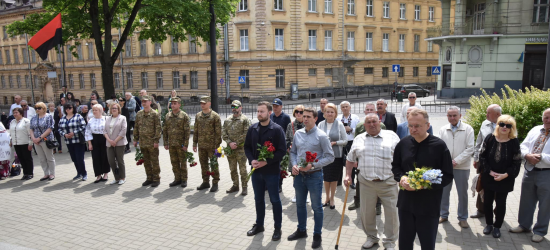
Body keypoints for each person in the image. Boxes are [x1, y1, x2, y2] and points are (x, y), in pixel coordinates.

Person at [392, 109, 453, 250]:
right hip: (406, 203)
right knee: (405, 242)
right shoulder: (403, 144)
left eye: (417, 126)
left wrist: (423, 185)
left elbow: (448, 175)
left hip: (428, 205)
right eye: (410, 126)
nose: (413, 129)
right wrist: (401, 178)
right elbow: (395, 167)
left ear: (427, 125)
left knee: (427, 242)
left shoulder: (439, 146)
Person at [345, 113, 400, 250]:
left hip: (388, 181)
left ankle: (390, 242)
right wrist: (347, 175)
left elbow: (402, 157)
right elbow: (350, 159)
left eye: (374, 121)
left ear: (379, 121)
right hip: (366, 182)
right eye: (368, 122)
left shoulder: (392, 136)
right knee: (366, 212)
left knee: (392, 213)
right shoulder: (359, 138)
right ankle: (371, 237)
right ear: (364, 125)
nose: (371, 124)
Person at [288, 107, 334, 249]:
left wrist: (313, 165)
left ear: (315, 119)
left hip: (314, 176)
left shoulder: (322, 136)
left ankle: (317, 235)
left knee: (316, 207)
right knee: (300, 205)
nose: (305, 118)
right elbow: (293, 152)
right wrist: (294, 165)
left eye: (309, 116)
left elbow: (330, 157)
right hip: (299, 177)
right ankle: (301, 230)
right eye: (304, 116)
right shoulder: (298, 134)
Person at [244, 101, 287, 241]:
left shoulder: (277, 129)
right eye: (257, 111)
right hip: (256, 171)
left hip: (272, 172)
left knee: (274, 200)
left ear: (269, 113)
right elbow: (247, 148)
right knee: (258, 199)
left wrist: (266, 162)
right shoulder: (253, 128)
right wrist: (251, 160)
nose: (259, 114)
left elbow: (282, 151)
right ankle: (259, 225)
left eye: (262, 111)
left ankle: (277, 228)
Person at [510, 108, 550, 243]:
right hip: (530, 170)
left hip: (547, 173)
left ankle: (540, 231)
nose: (548, 120)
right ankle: (524, 225)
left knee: (545, 204)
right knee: (526, 200)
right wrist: (527, 155)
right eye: (546, 117)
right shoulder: (535, 129)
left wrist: (540, 157)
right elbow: (523, 145)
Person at [479, 115, 521, 238]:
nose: (504, 127)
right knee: (487, 202)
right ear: (497, 125)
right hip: (489, 176)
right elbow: (482, 156)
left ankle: (497, 227)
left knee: (501, 203)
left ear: (511, 128)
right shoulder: (490, 138)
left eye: (508, 125)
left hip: (505, 178)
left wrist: (505, 175)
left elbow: (517, 162)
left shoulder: (514, 142)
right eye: (502, 124)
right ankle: (489, 224)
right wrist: (489, 171)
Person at [438, 106, 475, 228]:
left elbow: (470, 148)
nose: (452, 118)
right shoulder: (443, 129)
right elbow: (439, 147)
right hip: (446, 168)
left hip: (462, 167)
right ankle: (443, 214)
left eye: (454, 115)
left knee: (462, 193)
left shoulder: (468, 129)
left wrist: (456, 161)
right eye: (449, 115)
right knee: (444, 192)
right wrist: (447, 162)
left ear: (460, 116)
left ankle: (463, 217)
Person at [350, 102, 386, 213]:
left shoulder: (382, 126)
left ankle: (378, 205)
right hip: (362, 160)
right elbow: (355, 144)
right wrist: (355, 160)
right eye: (367, 110)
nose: (369, 112)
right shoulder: (360, 126)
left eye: (371, 110)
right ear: (364, 112)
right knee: (359, 181)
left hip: (378, 159)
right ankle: (357, 201)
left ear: (375, 112)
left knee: (378, 181)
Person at [471, 104, 502, 219]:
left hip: (500, 163)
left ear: (498, 114)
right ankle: (481, 210)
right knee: (481, 184)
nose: (486, 115)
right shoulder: (485, 123)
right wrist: (476, 158)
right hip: (483, 161)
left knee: (499, 188)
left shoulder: (506, 124)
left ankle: (498, 212)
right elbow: (478, 142)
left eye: (489, 113)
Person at [317, 103, 347, 209]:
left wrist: (335, 143)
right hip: (324, 156)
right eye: (327, 112)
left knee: (334, 178)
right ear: (324, 113)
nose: (329, 114)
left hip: (336, 156)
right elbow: (317, 138)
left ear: (335, 113)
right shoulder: (320, 124)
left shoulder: (339, 124)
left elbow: (345, 140)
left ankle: (333, 198)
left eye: (332, 112)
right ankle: (327, 198)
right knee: (326, 177)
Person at [193, 96, 222, 192]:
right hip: (201, 146)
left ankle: (215, 182)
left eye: (204, 103)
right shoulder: (198, 116)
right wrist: (194, 143)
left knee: (213, 164)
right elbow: (196, 130)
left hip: (212, 146)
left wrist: (217, 146)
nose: (202, 105)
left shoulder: (215, 116)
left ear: (209, 103)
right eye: (201, 103)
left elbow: (218, 133)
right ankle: (205, 181)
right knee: (203, 164)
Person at [222, 100, 251, 195]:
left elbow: (246, 133)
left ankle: (244, 187)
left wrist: (236, 143)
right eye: (232, 107)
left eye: (236, 107)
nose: (234, 109)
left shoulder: (245, 119)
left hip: (241, 149)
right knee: (232, 168)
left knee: (242, 169)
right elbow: (223, 132)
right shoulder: (227, 120)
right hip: (230, 149)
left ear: (240, 108)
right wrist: (230, 143)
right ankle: (235, 185)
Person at [133, 96, 162, 187]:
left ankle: (156, 178)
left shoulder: (154, 114)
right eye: (142, 101)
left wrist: (156, 141)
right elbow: (136, 127)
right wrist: (135, 139)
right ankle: (149, 178)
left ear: (150, 102)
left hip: (152, 142)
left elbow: (158, 128)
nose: (144, 103)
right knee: (146, 161)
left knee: (154, 161)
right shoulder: (139, 114)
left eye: (145, 101)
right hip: (142, 142)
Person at [163, 97, 191, 188]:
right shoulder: (168, 116)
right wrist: (165, 143)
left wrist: (186, 144)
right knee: (174, 162)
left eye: (175, 103)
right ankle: (177, 179)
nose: (173, 105)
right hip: (171, 144)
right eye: (172, 103)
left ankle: (184, 179)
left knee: (182, 162)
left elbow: (187, 132)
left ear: (179, 105)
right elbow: (165, 130)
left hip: (181, 144)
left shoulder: (184, 116)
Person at [58, 102, 88, 181]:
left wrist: (74, 132)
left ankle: (84, 173)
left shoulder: (78, 116)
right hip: (68, 142)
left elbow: (84, 126)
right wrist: (64, 134)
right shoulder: (63, 118)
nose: (68, 109)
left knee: (79, 158)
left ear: (73, 108)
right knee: (74, 158)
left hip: (78, 141)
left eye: (70, 108)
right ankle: (79, 173)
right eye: (66, 108)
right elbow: (59, 129)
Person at [29, 102, 56, 181]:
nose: (37, 110)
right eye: (36, 108)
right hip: (36, 141)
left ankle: (52, 173)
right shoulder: (34, 117)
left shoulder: (48, 116)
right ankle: (46, 173)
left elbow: (50, 128)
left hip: (46, 140)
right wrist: (33, 138)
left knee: (49, 157)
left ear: (44, 108)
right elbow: (31, 128)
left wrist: (39, 138)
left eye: (39, 108)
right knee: (41, 158)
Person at [86, 104, 111, 183]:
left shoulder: (106, 119)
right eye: (93, 110)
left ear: (100, 111)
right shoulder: (91, 120)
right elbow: (88, 132)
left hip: (104, 139)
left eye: (96, 110)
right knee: (95, 157)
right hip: (94, 139)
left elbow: (109, 130)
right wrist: (90, 144)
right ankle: (98, 175)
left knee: (105, 156)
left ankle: (106, 174)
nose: (94, 112)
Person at [103, 103, 128, 185]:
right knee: (111, 161)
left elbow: (123, 131)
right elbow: (104, 131)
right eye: (112, 108)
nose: (114, 109)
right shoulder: (107, 118)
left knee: (120, 160)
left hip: (120, 143)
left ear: (118, 109)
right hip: (109, 143)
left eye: (115, 108)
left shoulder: (122, 118)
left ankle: (122, 177)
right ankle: (116, 178)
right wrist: (110, 140)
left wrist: (115, 141)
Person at [337, 101, 359, 189]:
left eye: (346, 106)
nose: (345, 108)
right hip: (341, 142)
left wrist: (350, 129)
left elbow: (358, 129)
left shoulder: (355, 117)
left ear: (350, 108)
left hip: (351, 141)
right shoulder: (338, 118)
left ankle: (352, 181)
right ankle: (338, 181)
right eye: (343, 107)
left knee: (351, 161)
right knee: (339, 161)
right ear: (341, 108)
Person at [271, 98, 291, 193]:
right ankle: (271, 184)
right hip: (271, 145)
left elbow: (289, 131)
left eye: (277, 106)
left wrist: (287, 145)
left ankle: (279, 185)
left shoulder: (286, 117)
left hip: (281, 145)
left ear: (281, 106)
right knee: (271, 165)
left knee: (281, 166)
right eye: (274, 106)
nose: (275, 108)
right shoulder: (271, 116)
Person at [286, 105, 305, 203]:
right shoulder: (291, 125)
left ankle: (305, 195)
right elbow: (286, 139)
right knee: (295, 174)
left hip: (305, 155)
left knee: (306, 174)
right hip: (294, 154)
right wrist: (289, 145)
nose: (298, 113)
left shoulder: (308, 124)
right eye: (297, 111)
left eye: (301, 112)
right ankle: (297, 194)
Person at [9, 108, 34, 180]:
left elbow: (30, 134)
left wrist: (30, 143)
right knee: (21, 158)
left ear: (21, 113)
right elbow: (11, 133)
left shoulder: (26, 121)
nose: (15, 114)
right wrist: (11, 141)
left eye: (16, 113)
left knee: (27, 158)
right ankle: (25, 173)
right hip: (16, 143)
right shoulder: (12, 122)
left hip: (25, 143)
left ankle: (30, 173)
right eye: (14, 113)